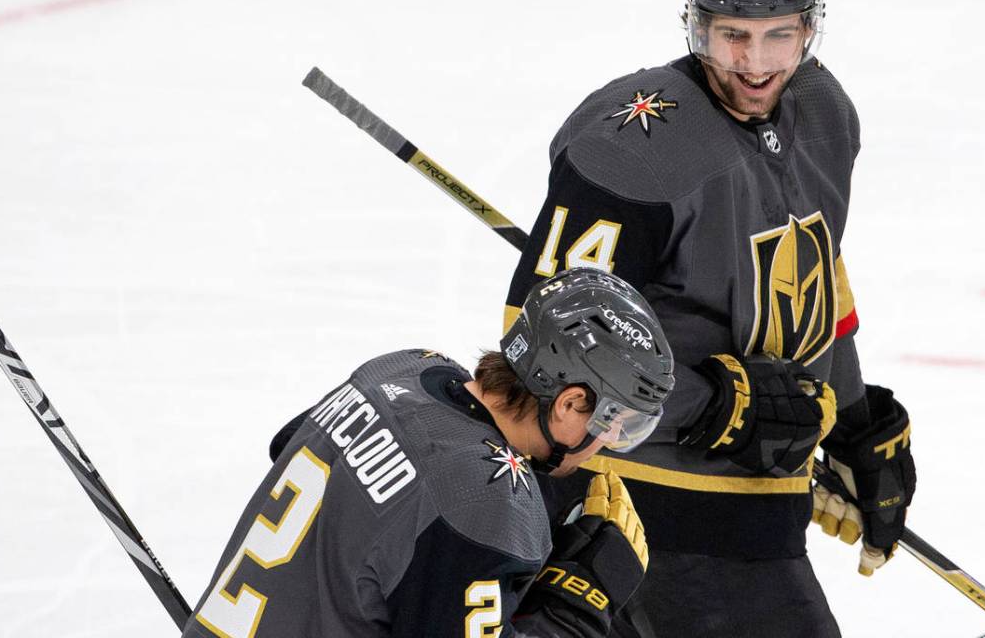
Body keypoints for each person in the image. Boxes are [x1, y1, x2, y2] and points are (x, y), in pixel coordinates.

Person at [504, 0, 916, 637]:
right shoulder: (632, 143)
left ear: (811, 27)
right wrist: (711, 407)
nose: (753, 64)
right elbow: (533, 351)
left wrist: (851, 425)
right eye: (730, 34)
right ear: (694, 23)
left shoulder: (823, 112)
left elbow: (815, 287)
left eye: (778, 35)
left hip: (760, 511)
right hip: (639, 504)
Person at [181, 267, 675, 638]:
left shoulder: (402, 369)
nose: (611, 442)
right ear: (569, 403)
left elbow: (288, 445)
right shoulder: (488, 510)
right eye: (616, 422)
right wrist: (577, 607)